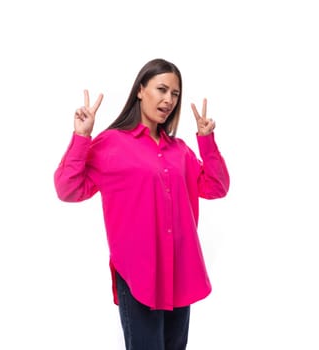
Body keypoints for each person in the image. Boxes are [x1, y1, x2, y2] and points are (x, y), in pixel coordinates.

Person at [53, 58, 230, 350]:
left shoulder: (180, 151)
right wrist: (81, 136)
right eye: (161, 89)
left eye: (175, 93)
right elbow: (68, 189)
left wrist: (206, 140)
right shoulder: (111, 144)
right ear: (140, 90)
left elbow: (217, 187)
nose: (169, 100)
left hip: (179, 271)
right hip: (137, 273)